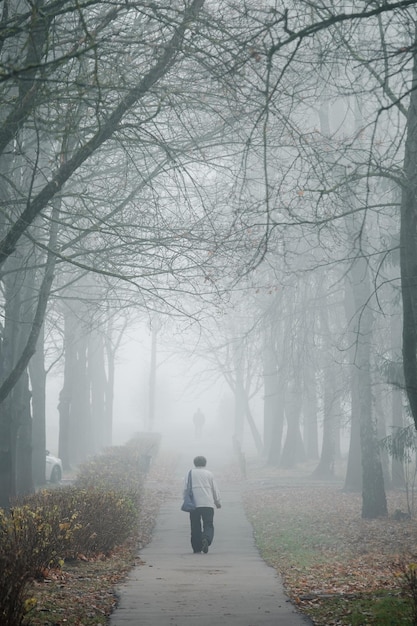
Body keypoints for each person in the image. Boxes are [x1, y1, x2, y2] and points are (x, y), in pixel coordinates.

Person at [183, 455, 221, 554]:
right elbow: (214, 489)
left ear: (194, 463)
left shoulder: (189, 473)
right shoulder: (209, 474)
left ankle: (197, 547)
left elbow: (185, 489)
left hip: (194, 504)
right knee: (208, 524)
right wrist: (217, 502)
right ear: (205, 463)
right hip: (208, 503)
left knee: (195, 525)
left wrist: (185, 500)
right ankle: (206, 539)